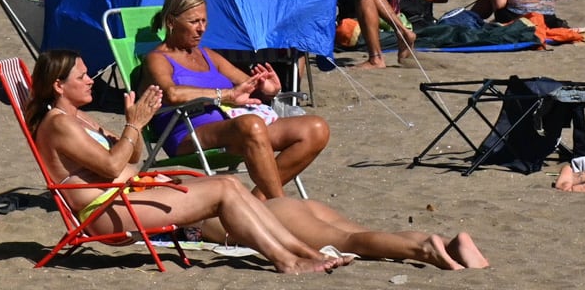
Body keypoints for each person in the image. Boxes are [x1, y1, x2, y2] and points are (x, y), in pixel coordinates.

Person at [26, 51, 347, 274]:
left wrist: (135, 122)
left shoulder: (77, 118)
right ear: (58, 85)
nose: (91, 80)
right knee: (222, 188)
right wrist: (134, 126)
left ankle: (306, 252)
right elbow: (111, 168)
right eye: (82, 76)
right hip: (105, 212)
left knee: (230, 184)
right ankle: (287, 261)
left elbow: (132, 156)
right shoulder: (58, 123)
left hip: (124, 197)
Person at [139, 0, 331, 200]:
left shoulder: (208, 55)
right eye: (194, 22)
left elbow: (246, 84)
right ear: (171, 22)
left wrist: (267, 89)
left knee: (315, 128)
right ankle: (279, 204)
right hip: (187, 133)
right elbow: (172, 94)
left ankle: (260, 198)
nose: (201, 29)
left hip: (236, 127)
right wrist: (225, 95)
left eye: (204, 21)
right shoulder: (158, 58)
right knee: (251, 125)